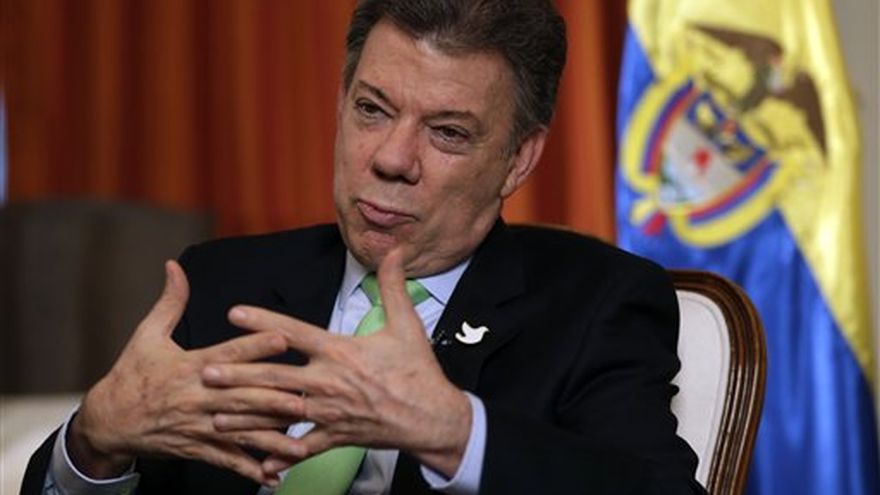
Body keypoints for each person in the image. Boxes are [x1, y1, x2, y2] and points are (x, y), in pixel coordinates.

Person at [23, 0, 704, 493]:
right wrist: (92, 446)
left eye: (447, 132)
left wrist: (457, 433)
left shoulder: (595, 306)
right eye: (372, 110)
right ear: (341, 100)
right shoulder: (223, 282)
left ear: (518, 160)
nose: (391, 158)